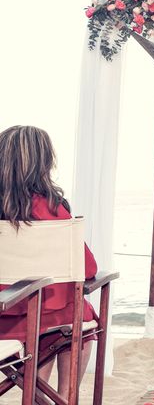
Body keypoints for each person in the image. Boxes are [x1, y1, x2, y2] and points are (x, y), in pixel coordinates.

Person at [0, 125, 98, 400]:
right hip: (41, 318)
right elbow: (87, 268)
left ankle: (35, 396)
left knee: (48, 314)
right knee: (75, 315)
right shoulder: (51, 207)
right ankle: (62, 398)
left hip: (3, 318)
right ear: (43, 163)